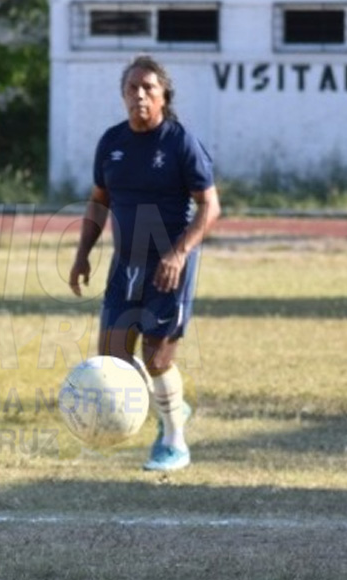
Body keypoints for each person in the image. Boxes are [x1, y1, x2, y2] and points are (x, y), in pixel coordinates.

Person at [68, 55, 221, 472]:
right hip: (126, 263)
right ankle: (170, 401)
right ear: (123, 95)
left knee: (156, 359)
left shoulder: (179, 142)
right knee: (113, 362)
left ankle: (174, 442)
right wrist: (83, 253)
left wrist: (178, 253)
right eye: (132, 87)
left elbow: (210, 206)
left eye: (148, 88)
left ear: (163, 96)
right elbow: (99, 201)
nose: (139, 94)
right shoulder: (112, 142)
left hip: (169, 264)